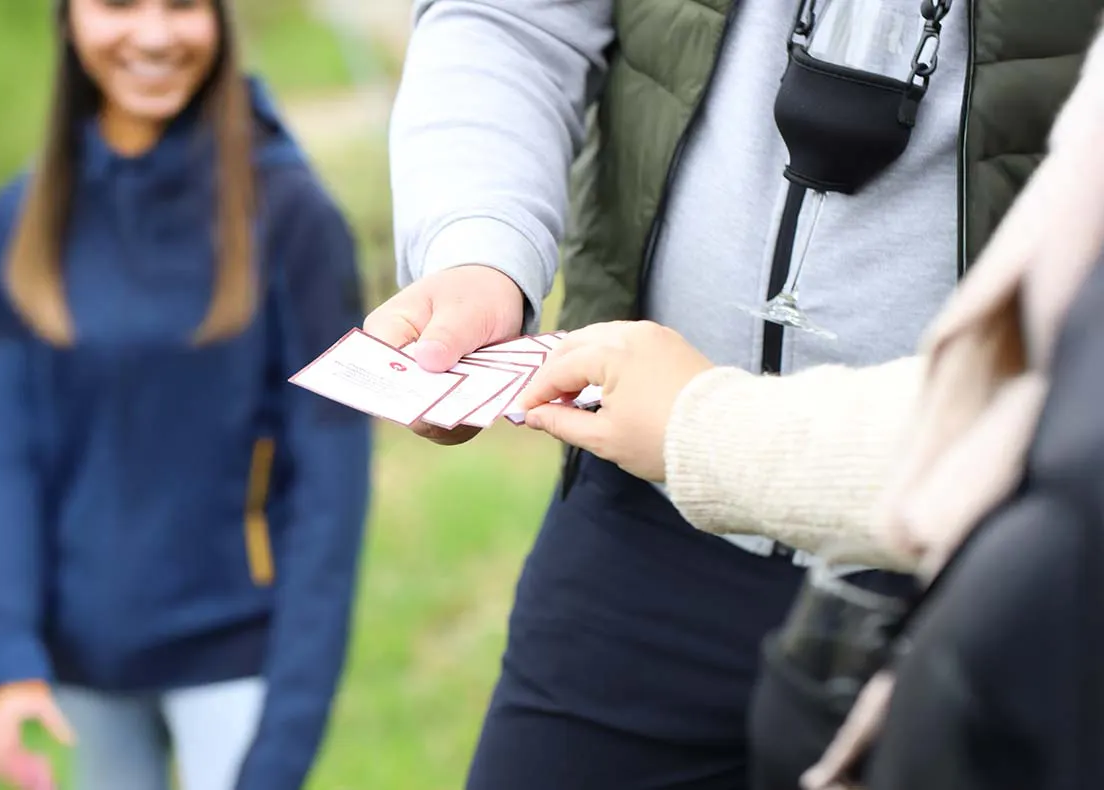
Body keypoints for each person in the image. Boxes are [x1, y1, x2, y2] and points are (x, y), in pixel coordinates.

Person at [370, 0, 1104, 787]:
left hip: (972, 574)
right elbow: (513, 19)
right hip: (639, 531)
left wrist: (705, 430)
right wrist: (479, 247)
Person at [0, 2, 371, 790]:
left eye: (183, 3)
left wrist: (285, 735)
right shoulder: (19, 220)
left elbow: (331, 493)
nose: (154, 34)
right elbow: (5, 455)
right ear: (67, 19)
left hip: (237, 662)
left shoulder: (291, 216)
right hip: (85, 672)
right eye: (119, 3)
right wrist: (8, 656)